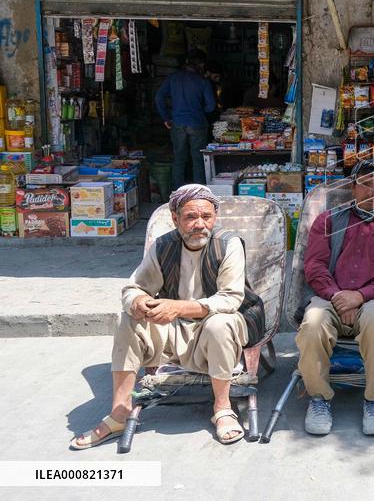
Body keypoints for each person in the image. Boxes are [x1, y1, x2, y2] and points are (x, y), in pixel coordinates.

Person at [69, 185, 265, 449]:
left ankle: (222, 407)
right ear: (175, 218)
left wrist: (178, 307)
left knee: (221, 322)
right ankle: (119, 411)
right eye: (190, 217)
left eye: (206, 217)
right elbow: (134, 287)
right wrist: (139, 302)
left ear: (215, 217)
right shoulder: (163, 246)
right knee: (128, 318)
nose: (200, 224)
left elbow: (230, 299)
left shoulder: (228, 244)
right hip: (175, 331)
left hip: (218, 327)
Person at [295, 160, 374, 437]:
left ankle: (373, 399)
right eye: (364, 183)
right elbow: (315, 267)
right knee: (312, 324)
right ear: (353, 188)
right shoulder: (328, 220)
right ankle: (319, 399)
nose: (370, 190)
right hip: (329, 295)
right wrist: (337, 297)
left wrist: (359, 296)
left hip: (372, 298)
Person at [155, 49, 216, 189]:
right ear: (200, 64)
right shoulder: (203, 81)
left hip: (177, 123)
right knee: (198, 159)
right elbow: (211, 106)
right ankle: (199, 192)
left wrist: (166, 117)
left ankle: (177, 193)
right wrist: (200, 110)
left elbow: (158, 97)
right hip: (197, 123)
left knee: (179, 159)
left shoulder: (173, 78)